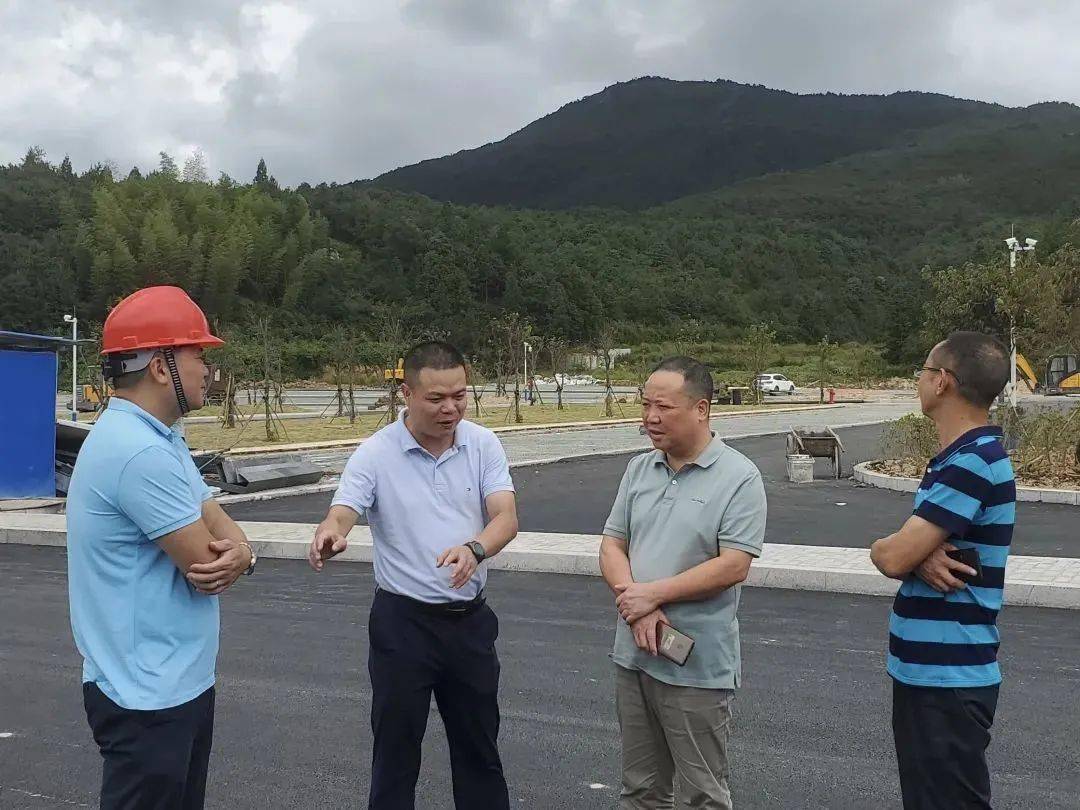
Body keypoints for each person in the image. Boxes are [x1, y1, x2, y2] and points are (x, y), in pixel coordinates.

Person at [67, 286, 256, 810]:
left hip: (173, 683)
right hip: (147, 696)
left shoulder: (159, 438)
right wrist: (239, 553)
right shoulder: (137, 452)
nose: (206, 369)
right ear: (159, 365)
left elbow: (216, 519)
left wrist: (244, 550)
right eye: (197, 354)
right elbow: (209, 560)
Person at [309, 341, 519, 810]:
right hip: (402, 626)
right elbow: (343, 510)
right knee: (396, 752)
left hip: (469, 623)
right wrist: (331, 532)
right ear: (406, 392)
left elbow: (505, 516)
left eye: (460, 396)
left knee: (479, 750)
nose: (451, 409)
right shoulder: (376, 452)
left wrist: (475, 548)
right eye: (437, 399)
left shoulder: (483, 443)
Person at [599, 356, 767, 809]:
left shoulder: (739, 477)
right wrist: (637, 602)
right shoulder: (640, 468)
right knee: (641, 789)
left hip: (695, 666)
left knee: (701, 795)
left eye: (665, 407)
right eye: (646, 405)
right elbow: (612, 546)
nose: (651, 418)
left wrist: (652, 595)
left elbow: (733, 565)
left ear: (702, 409)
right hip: (634, 654)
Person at [870, 331, 1015, 810]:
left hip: (948, 677)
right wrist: (913, 551)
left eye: (925, 371)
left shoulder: (971, 463)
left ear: (944, 383)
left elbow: (891, 558)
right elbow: (903, 551)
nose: (920, 380)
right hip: (930, 672)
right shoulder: (961, 459)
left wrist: (903, 551)